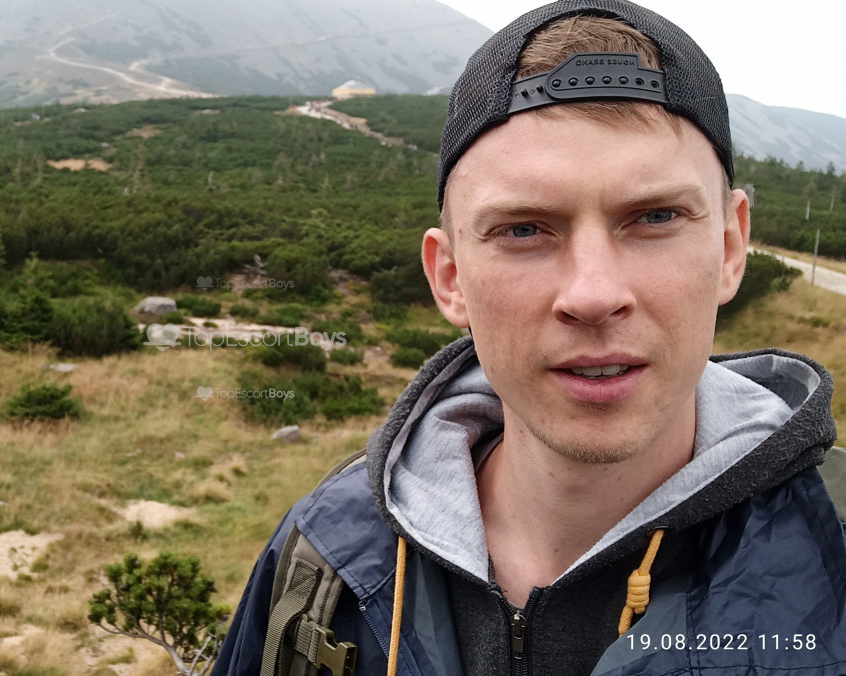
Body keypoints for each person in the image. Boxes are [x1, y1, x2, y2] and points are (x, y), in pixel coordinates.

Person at [212, 1, 846, 674]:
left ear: (730, 248)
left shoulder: (830, 553)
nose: (593, 294)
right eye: (522, 230)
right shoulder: (324, 556)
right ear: (450, 277)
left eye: (655, 217)